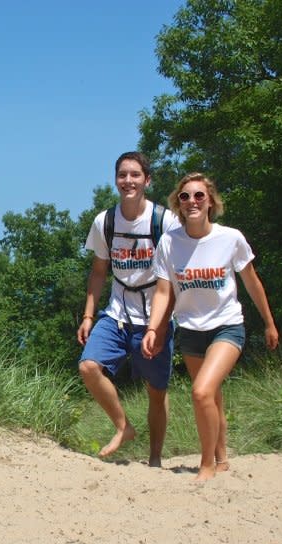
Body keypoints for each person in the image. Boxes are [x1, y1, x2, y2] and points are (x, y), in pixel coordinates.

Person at [142, 172, 278, 481]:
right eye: (185, 196)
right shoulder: (169, 242)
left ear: (210, 202)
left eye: (199, 195)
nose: (192, 201)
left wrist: (269, 323)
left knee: (201, 392)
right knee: (212, 396)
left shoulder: (230, 238)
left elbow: (253, 283)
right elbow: (164, 291)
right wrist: (154, 329)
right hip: (190, 329)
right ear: (178, 203)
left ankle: (206, 466)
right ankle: (222, 457)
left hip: (227, 326)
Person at [77, 151, 181, 465]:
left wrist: (160, 326)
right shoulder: (105, 221)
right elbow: (98, 271)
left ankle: (155, 459)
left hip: (155, 315)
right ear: (115, 180)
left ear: (147, 180)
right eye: (122, 175)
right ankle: (124, 427)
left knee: (156, 390)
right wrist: (88, 315)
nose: (128, 181)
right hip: (117, 313)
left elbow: (175, 278)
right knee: (88, 367)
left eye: (135, 175)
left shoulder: (164, 221)